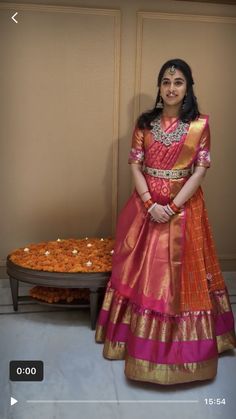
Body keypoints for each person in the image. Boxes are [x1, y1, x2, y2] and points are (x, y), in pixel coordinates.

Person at [95, 58, 236, 385]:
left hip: (185, 208)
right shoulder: (145, 123)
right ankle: (136, 343)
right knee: (145, 273)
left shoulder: (199, 125)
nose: (171, 88)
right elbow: (135, 164)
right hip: (145, 207)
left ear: (188, 88)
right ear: (160, 88)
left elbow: (199, 171)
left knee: (183, 276)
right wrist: (149, 203)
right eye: (166, 82)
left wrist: (171, 206)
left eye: (178, 82)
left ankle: (182, 349)